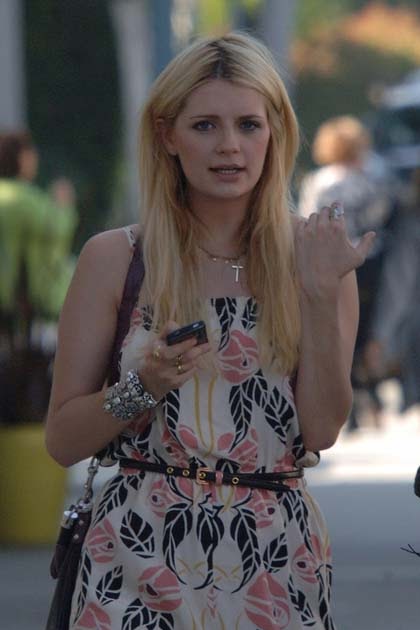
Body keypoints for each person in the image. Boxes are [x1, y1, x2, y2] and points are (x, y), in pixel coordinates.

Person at [45, 33, 374, 630]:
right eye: (204, 126)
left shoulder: (314, 259)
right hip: (134, 559)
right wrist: (140, 388)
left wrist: (320, 296)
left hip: (274, 562)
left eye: (249, 124)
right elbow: (64, 440)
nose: (229, 146)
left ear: (275, 132)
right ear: (167, 135)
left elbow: (321, 430)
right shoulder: (116, 259)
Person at [298, 116, 392, 431]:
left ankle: (349, 405)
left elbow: (307, 218)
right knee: (365, 328)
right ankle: (371, 394)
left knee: (341, 326)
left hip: (331, 261)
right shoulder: (369, 180)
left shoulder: (318, 181)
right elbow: (379, 216)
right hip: (368, 260)